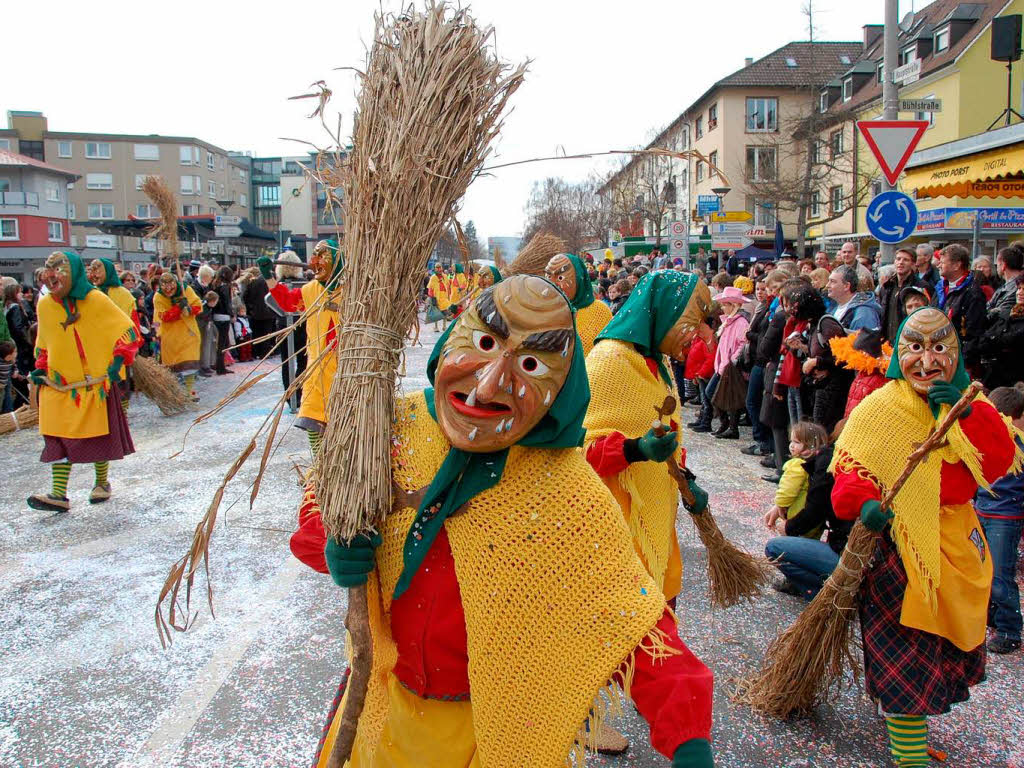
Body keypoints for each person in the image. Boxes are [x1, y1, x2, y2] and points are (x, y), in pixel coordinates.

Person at [294, 275, 715, 768]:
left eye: (532, 365)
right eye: (486, 342)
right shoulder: (389, 429)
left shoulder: (567, 491)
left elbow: (630, 619)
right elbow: (315, 513)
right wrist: (333, 537)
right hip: (383, 711)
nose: (488, 385)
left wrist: (687, 735)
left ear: (561, 390)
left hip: (495, 733)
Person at [831, 307, 1021, 768]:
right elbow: (848, 476)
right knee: (904, 653)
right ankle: (909, 754)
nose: (927, 359)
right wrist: (865, 504)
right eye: (915, 347)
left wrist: (966, 409)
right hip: (899, 550)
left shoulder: (972, 402)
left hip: (957, 544)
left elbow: (997, 462)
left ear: (956, 353)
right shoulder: (878, 407)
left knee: (937, 651)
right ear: (900, 352)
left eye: (940, 348)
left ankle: (906, 725)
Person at [584, 271, 715, 606]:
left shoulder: (660, 364)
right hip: (617, 529)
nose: (701, 334)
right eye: (694, 321)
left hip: (655, 515)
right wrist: (635, 449)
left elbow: (669, 435)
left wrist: (687, 479)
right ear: (665, 312)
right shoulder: (607, 362)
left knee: (660, 606)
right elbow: (577, 453)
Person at [27, 251, 139, 512]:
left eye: (59, 267)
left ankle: (101, 483)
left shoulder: (95, 300)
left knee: (97, 435)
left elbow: (126, 329)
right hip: (58, 384)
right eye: (48, 267)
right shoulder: (45, 305)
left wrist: (118, 359)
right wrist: (40, 367)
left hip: (92, 383)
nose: (52, 274)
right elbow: (44, 342)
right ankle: (58, 494)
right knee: (58, 435)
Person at [259, 239, 343, 456]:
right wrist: (269, 277)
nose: (314, 261)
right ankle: (319, 466)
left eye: (322, 256)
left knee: (344, 424)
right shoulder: (311, 289)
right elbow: (287, 302)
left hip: (347, 369)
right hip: (317, 369)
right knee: (313, 419)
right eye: (314, 256)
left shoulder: (352, 290)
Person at [763, 427, 849, 600]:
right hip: (846, 550)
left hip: (846, 556)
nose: (791, 445)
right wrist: (778, 506)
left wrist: (789, 527)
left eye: (796, 442)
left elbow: (814, 510)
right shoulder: (835, 464)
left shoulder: (827, 464)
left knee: (774, 548)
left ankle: (822, 591)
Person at [974, 385, 1024, 654]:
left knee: (1000, 574)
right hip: (983, 509)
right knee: (983, 569)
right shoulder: (987, 435)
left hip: (1005, 515)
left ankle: (1009, 628)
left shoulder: (1019, 442)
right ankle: (992, 616)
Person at [86, 258, 141, 411]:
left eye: (98, 269)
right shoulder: (90, 293)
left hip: (118, 344)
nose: (95, 274)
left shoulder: (123, 294)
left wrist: (128, 344)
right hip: (96, 346)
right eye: (93, 269)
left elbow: (131, 322)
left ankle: (123, 413)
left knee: (120, 381)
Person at [544, 252, 612, 356]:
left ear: (579, 278)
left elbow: (610, 352)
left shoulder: (600, 311)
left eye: (560, 278)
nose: (552, 284)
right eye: (548, 276)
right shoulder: (542, 312)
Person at [935, 244, 987, 371]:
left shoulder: (973, 294)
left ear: (957, 265)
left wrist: (962, 364)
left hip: (958, 362)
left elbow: (973, 334)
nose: (938, 265)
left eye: (942, 262)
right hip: (937, 356)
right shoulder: (940, 288)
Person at [153, 273, 203, 399]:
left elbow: (198, 306)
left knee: (189, 362)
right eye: (165, 286)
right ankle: (175, 392)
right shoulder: (158, 297)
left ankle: (190, 391)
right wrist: (178, 307)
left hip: (188, 332)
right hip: (171, 336)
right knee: (173, 366)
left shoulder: (185, 290)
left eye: (171, 286)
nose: (168, 289)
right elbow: (164, 317)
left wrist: (189, 309)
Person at [709, 286, 749, 440]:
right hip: (723, 365)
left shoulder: (740, 322)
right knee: (717, 395)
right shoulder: (728, 322)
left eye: (725, 304)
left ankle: (731, 427)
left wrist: (733, 360)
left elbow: (742, 343)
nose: (722, 307)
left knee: (726, 396)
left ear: (733, 305)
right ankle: (726, 424)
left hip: (731, 366)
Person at [274, 251, 308, 412]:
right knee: (303, 361)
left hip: (284, 326)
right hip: (302, 324)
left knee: (287, 362)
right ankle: (299, 393)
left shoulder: (277, 285)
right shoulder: (304, 284)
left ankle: (290, 397)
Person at [978, 279, 1024, 390]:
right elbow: (983, 342)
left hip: (1017, 379)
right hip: (994, 376)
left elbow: (1013, 340)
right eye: (1019, 288)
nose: (1020, 292)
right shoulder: (1006, 313)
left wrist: (995, 339)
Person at [879, 248, 928, 343]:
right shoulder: (887, 286)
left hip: (910, 342)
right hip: (888, 343)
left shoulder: (921, 286)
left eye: (905, 260)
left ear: (913, 264)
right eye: (898, 259)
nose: (900, 262)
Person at [827, 265, 881, 331]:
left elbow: (865, 340)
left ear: (846, 286)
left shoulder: (864, 313)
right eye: (828, 281)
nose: (827, 285)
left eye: (833, 281)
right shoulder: (832, 307)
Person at [987, 244, 1023, 320]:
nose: (997, 267)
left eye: (998, 264)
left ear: (1003, 265)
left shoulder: (1017, 289)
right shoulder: (1005, 286)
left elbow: (997, 316)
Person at [426, 263, 453, 329]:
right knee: (436, 311)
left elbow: (448, 285)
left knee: (445, 311)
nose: (438, 269)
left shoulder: (445, 276)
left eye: (439, 267)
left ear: (441, 268)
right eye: (437, 267)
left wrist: (449, 295)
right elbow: (430, 288)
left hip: (444, 296)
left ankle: (444, 326)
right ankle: (436, 327)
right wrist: (432, 297)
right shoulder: (433, 277)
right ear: (435, 268)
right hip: (436, 296)